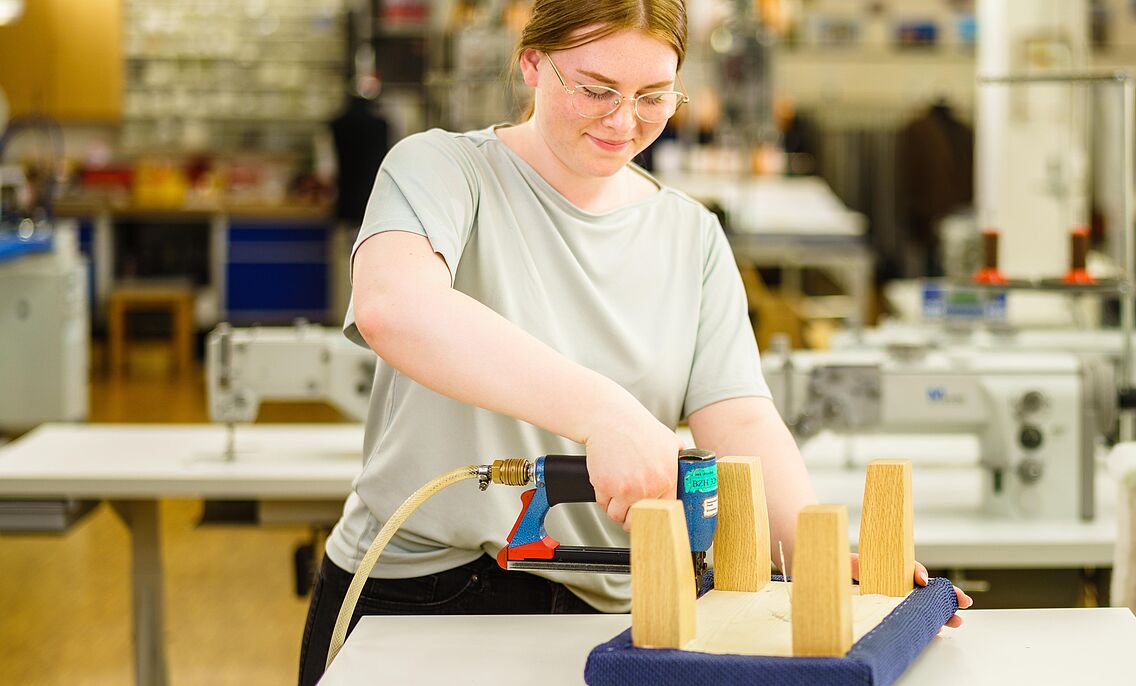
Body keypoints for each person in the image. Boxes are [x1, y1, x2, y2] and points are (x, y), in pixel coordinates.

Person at [297, 2, 970, 682]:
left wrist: (818, 556)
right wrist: (607, 415)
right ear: (531, 62)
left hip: (620, 606)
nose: (623, 122)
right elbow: (395, 308)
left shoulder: (691, 234)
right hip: (421, 595)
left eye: (653, 97)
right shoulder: (439, 170)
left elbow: (736, 414)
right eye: (595, 90)